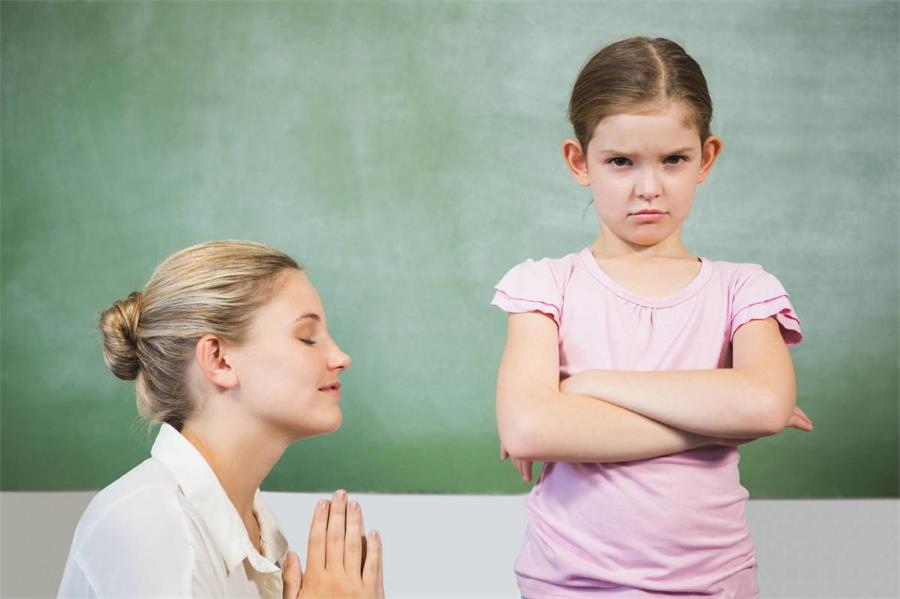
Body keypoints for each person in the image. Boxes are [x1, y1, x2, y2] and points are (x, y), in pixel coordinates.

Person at [492, 36, 813, 598]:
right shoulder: (544, 286)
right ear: (579, 162)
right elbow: (529, 428)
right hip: (569, 582)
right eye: (620, 162)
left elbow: (763, 404)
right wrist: (719, 419)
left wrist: (586, 387)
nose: (648, 189)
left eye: (673, 160)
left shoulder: (745, 288)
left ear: (706, 158)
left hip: (712, 582)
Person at [58, 240, 384, 598]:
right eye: (307, 338)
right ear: (219, 359)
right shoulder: (155, 527)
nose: (340, 357)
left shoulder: (256, 533)